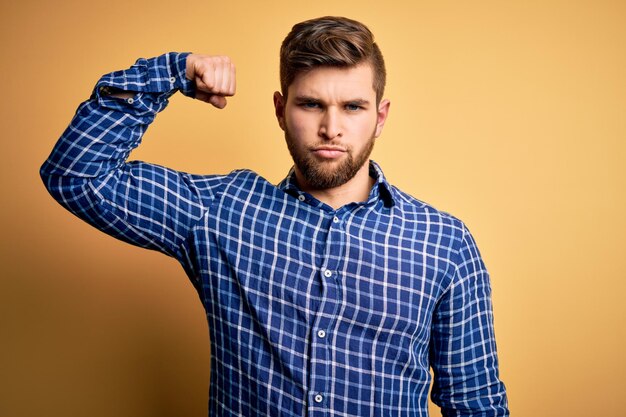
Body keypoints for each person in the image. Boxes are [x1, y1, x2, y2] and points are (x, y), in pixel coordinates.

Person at [41, 16, 509, 417]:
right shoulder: (222, 212)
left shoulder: (442, 243)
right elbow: (76, 176)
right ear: (281, 110)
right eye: (311, 104)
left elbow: (475, 404)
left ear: (380, 117)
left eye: (352, 107)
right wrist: (172, 72)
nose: (332, 128)